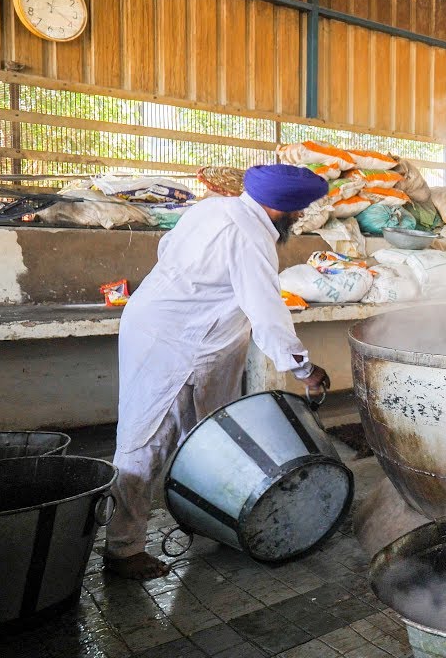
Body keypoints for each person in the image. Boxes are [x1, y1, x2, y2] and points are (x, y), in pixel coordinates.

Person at [106, 164, 331, 580]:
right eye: (296, 211)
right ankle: (123, 549)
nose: (299, 218)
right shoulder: (248, 236)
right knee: (148, 440)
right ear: (278, 207)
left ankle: (213, 515)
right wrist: (304, 370)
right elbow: (267, 314)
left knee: (213, 437)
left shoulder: (215, 209)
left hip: (188, 336)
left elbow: (168, 249)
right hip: (177, 343)